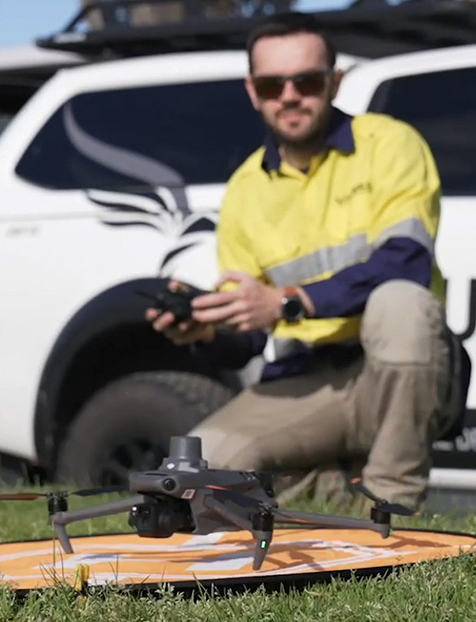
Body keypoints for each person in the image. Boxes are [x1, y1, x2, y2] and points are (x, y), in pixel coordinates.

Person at [145, 12, 454, 511]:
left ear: (335, 81)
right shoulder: (245, 188)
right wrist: (204, 329)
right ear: (253, 91)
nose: (289, 96)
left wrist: (290, 302)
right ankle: (329, 486)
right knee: (197, 478)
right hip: (305, 378)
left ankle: (390, 507)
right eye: (272, 85)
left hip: (391, 370)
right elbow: (248, 336)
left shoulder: (390, 144)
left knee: (403, 304)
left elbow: (407, 263)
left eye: (306, 81)